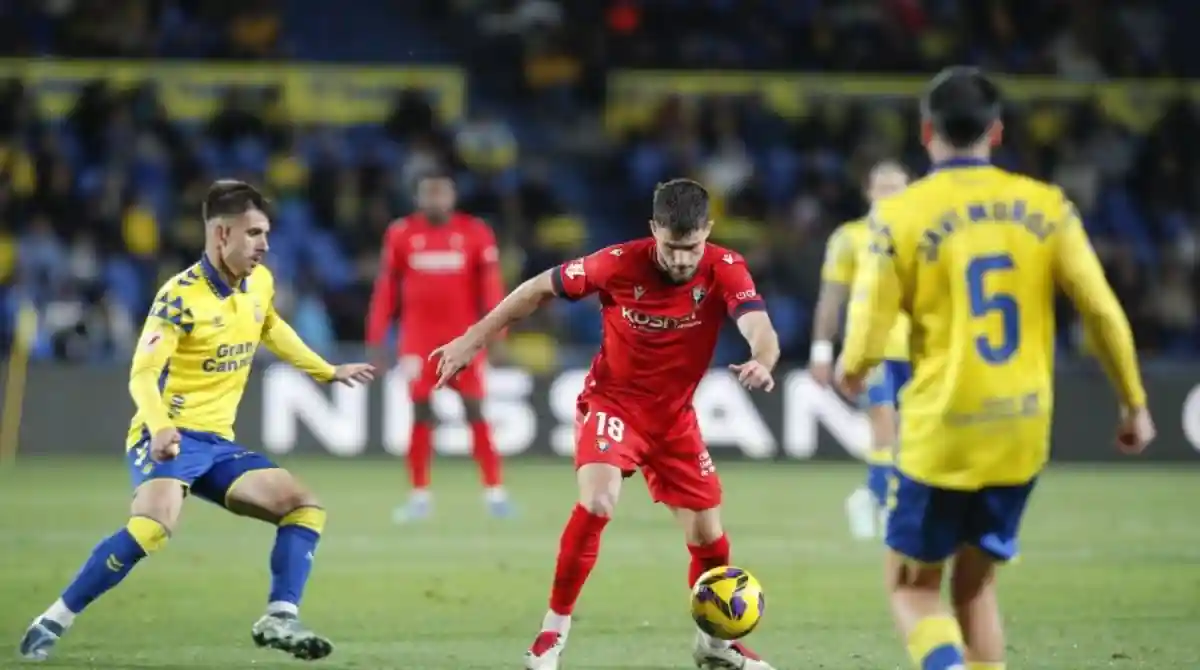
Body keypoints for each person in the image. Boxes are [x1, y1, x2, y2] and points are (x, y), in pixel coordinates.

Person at [836, 67, 1154, 670]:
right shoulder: (1047, 207)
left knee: (912, 586)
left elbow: (870, 323)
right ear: (997, 131)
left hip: (942, 431)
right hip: (1021, 430)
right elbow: (1103, 312)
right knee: (976, 584)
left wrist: (853, 371)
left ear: (927, 132)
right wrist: (1133, 403)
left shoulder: (899, 216)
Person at [19, 180, 376, 662]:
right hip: (166, 434)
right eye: (254, 234)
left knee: (304, 506)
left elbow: (272, 326)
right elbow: (142, 374)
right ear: (221, 235)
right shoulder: (178, 296)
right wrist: (161, 426)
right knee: (152, 527)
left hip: (217, 444)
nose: (265, 245)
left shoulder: (260, 283)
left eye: (266, 233)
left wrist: (326, 371)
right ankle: (52, 620)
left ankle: (280, 615)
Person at [434, 178, 779, 670]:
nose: (682, 260)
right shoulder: (616, 263)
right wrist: (473, 338)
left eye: (692, 248)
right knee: (598, 499)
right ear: (654, 229)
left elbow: (758, 326)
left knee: (708, 537)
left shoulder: (725, 268)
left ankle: (715, 644)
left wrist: (762, 359)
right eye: (672, 247)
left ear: (709, 231)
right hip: (613, 404)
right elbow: (536, 290)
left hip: (675, 420)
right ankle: (551, 635)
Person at [366, 170, 509, 522]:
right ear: (418, 198)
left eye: (441, 193)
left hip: (464, 341)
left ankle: (495, 493)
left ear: (453, 196)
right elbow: (387, 289)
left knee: (475, 411)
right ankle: (419, 496)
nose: (435, 200)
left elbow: (490, 287)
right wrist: (376, 338)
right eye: (429, 194)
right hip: (417, 342)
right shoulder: (402, 233)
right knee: (421, 413)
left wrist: (497, 334)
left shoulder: (475, 232)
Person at [809, 160, 910, 540]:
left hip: (917, 347)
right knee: (884, 424)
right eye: (883, 187)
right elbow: (831, 299)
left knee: (909, 435)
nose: (890, 194)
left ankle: (870, 496)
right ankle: (886, 508)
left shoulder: (925, 235)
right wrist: (821, 351)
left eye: (897, 187)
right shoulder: (849, 238)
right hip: (871, 347)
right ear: (869, 192)